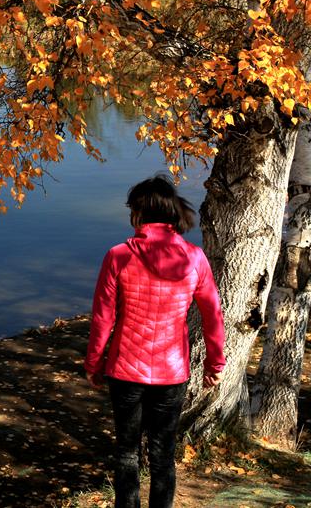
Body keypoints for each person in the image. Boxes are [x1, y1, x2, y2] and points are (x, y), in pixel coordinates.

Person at [84, 175, 226, 508]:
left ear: (138, 213)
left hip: (124, 371)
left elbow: (103, 318)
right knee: (163, 454)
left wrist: (93, 362)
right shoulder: (194, 258)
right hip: (171, 372)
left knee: (127, 452)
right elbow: (213, 317)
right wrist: (214, 364)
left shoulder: (118, 255)